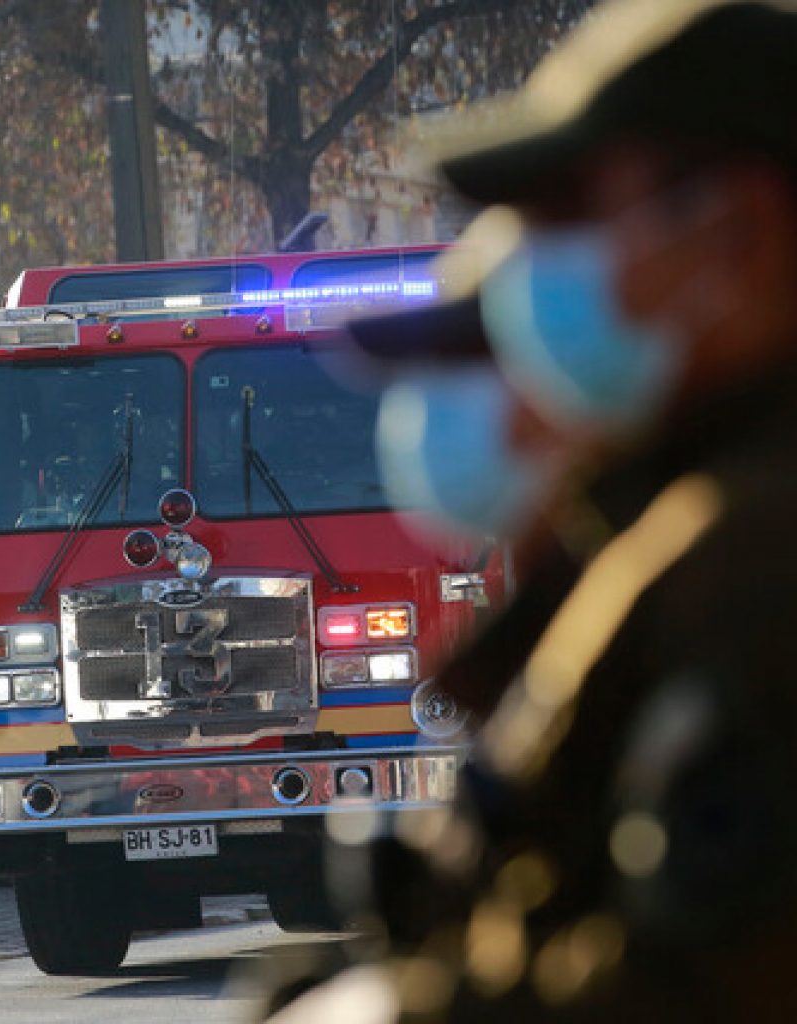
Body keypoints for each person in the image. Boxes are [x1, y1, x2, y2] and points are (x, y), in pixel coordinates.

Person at [262, 1, 797, 1021]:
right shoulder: (693, 540)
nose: (541, 294)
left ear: (740, 233)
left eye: (578, 217)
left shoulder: (744, 565)